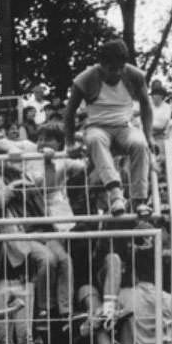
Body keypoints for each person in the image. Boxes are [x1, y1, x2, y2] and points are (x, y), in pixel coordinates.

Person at [64, 38, 154, 217]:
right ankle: (115, 193)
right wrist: (70, 142)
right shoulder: (85, 78)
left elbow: (146, 105)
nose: (118, 72)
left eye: (121, 67)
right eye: (112, 69)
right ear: (102, 65)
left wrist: (149, 134)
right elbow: (69, 112)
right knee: (95, 139)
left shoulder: (134, 75)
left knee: (140, 143)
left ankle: (139, 200)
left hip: (124, 126)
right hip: (97, 126)